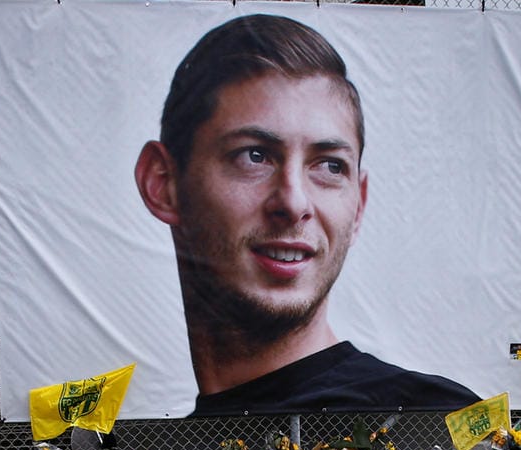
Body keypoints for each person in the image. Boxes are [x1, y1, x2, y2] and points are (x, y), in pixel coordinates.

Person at [133, 14, 480, 417]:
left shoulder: (436, 425)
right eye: (254, 156)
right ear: (162, 183)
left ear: (359, 205)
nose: (294, 203)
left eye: (330, 166)